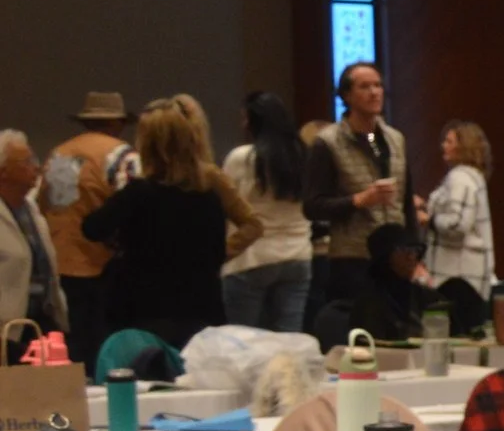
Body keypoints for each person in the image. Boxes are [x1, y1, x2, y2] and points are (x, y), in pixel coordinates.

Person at [83, 98, 261, 350]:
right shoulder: (209, 195)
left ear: (147, 145)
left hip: (145, 313)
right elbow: (232, 237)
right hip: (201, 310)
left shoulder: (137, 194)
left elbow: (92, 228)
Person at [304, 62, 416, 305]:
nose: (374, 92)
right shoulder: (327, 142)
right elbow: (312, 206)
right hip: (353, 258)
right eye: (365, 87)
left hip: (395, 256)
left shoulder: (395, 138)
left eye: (378, 85)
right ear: (347, 95)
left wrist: (414, 252)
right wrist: (358, 200)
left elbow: (406, 201)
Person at [43, 91, 134, 370]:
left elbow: (49, 205)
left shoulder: (59, 153)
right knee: (104, 355)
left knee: (70, 352)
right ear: (117, 123)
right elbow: (133, 208)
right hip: (104, 268)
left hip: (60, 265)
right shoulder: (122, 154)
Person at [218, 92, 315, 332]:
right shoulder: (302, 156)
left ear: (253, 121)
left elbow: (225, 204)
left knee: (244, 341)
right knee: (288, 341)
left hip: (250, 256)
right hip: (297, 255)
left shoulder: (242, 158)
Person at [0, 131, 66, 359]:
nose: (36, 168)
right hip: (8, 329)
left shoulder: (31, 209)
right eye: (27, 162)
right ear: (3, 171)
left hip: (41, 322)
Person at [422, 121, 496, 293]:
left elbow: (457, 224)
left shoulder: (459, 179)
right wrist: (426, 205)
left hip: (456, 275)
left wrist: (429, 220)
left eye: (449, 142)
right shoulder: (473, 177)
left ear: (464, 147)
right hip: (469, 273)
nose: (443, 146)